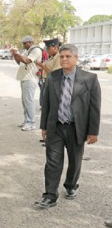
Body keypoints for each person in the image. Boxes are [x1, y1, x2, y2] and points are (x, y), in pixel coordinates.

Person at [34, 44, 101, 209]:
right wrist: (44, 127)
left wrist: (93, 132)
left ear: (76, 58)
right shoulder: (53, 77)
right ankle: (50, 195)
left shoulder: (90, 79)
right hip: (55, 127)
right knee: (52, 162)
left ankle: (71, 185)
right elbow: (47, 104)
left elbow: (94, 107)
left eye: (68, 56)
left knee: (75, 161)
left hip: (76, 128)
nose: (64, 59)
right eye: (62, 56)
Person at [10, 36, 42, 131]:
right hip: (24, 78)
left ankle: (31, 122)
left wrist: (17, 53)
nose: (23, 45)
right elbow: (19, 62)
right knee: (24, 101)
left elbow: (26, 61)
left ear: (31, 42)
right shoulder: (27, 51)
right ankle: (27, 120)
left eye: (25, 43)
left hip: (30, 78)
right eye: (23, 43)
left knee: (28, 101)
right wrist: (15, 55)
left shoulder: (36, 50)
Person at [35, 38, 61, 108]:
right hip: (46, 82)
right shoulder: (52, 57)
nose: (47, 50)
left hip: (52, 83)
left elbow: (54, 74)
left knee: (50, 105)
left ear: (55, 47)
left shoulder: (58, 58)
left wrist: (42, 66)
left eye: (48, 48)